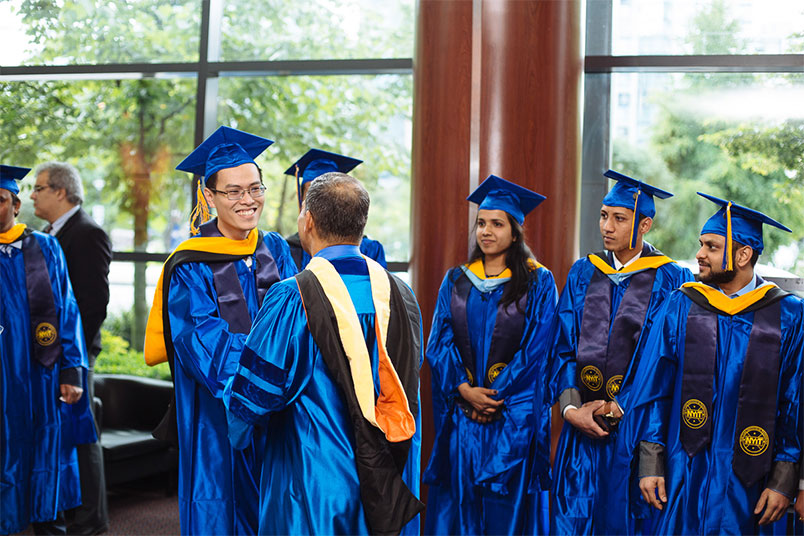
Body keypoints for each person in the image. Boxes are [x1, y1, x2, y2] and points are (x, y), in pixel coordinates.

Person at [223, 172, 423, 535]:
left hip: (314, 478)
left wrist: (236, 429)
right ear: (362, 224)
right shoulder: (400, 294)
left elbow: (254, 394)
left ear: (308, 220)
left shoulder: (292, 296)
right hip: (388, 474)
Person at [143, 126, 297, 535]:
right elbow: (200, 340)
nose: (248, 200)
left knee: (276, 506)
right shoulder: (190, 263)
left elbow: (299, 322)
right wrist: (264, 381)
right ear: (208, 197)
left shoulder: (277, 249)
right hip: (219, 412)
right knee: (221, 507)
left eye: (255, 188)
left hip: (278, 410)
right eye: (233, 191)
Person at [633, 193, 803, 534]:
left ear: (743, 255)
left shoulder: (788, 314)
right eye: (701, 245)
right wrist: (650, 462)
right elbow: (654, 390)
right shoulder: (681, 305)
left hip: (753, 483)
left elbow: (796, 401)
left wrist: (786, 479)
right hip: (684, 475)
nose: (699, 254)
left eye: (711, 246)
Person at [549, 170, 693, 535]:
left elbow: (663, 361)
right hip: (581, 431)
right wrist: (570, 409)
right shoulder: (584, 272)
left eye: (619, 218)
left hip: (636, 431)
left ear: (644, 225)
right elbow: (563, 346)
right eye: (603, 216)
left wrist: (621, 405)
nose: (606, 227)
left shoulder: (671, 279)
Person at [423, 174, 558, 535]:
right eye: (481, 223)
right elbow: (438, 343)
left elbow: (536, 352)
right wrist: (465, 391)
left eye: (497, 224)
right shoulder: (457, 280)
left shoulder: (538, 282)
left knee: (505, 514)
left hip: (510, 424)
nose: (486, 231)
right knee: (460, 510)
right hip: (463, 421)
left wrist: (493, 398)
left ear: (515, 232)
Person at [0, 164, 96, 535]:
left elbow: (67, 310)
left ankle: (48, 524)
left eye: (0, 199)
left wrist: (72, 370)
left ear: (16, 204)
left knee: (45, 452)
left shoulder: (43, 247)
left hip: (42, 373)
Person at [31, 161, 112, 535]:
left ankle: (90, 523)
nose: (31, 195)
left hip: (73, 359)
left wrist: (71, 360)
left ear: (60, 191)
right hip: (47, 358)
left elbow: (93, 305)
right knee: (57, 437)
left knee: (82, 437)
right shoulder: (44, 236)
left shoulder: (86, 233)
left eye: (38, 188)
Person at [283, 148, 387, 269]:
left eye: (330, 192)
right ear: (302, 200)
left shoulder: (370, 249)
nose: (323, 199)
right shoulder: (287, 249)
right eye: (313, 192)